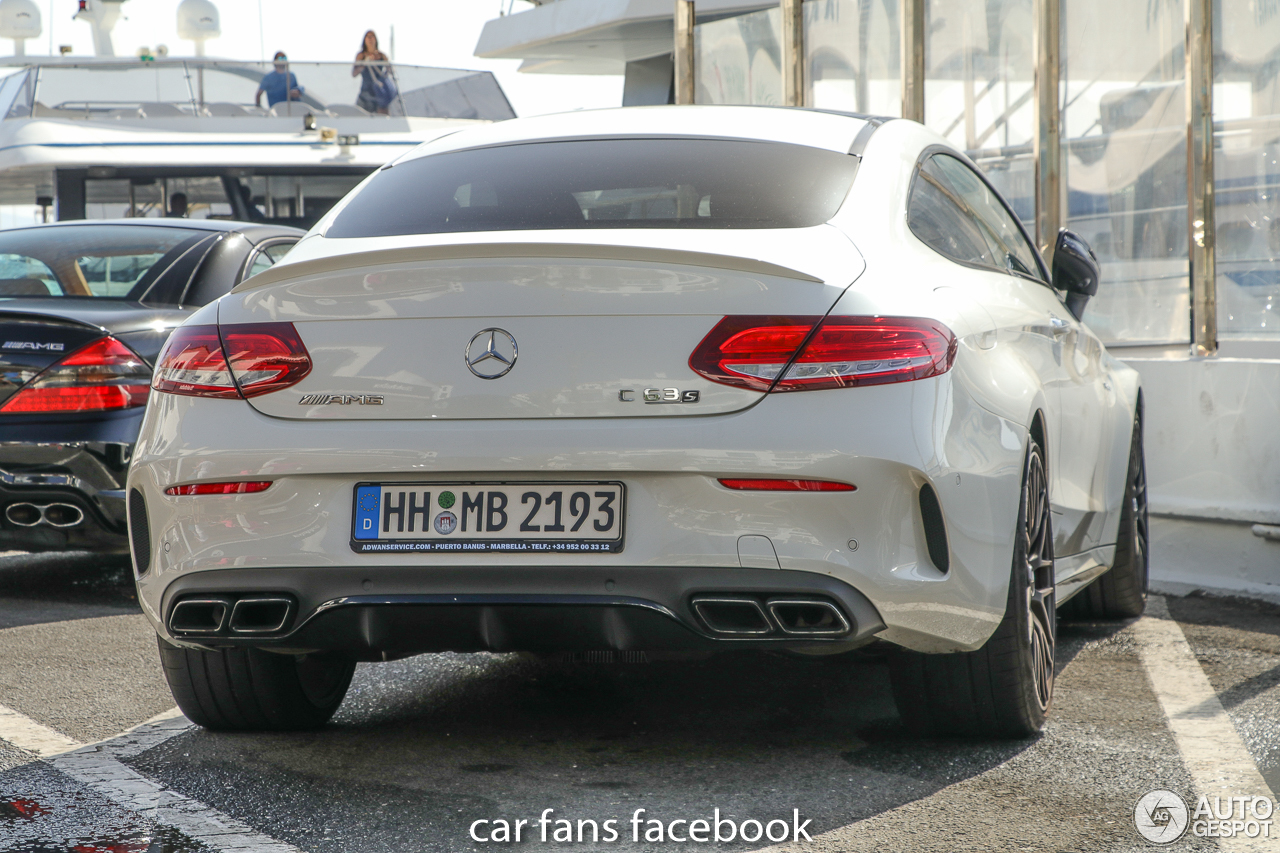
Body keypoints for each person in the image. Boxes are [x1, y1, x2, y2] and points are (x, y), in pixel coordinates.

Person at [352, 30, 395, 115]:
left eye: (372, 37)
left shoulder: (382, 55)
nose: (370, 39)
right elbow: (354, 73)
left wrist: (385, 73)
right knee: (359, 115)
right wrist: (364, 63)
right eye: (368, 37)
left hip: (379, 92)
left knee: (382, 116)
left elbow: (390, 70)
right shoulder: (361, 55)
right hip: (365, 91)